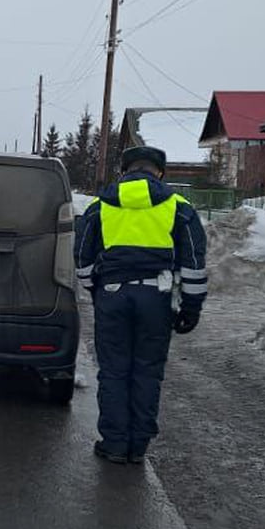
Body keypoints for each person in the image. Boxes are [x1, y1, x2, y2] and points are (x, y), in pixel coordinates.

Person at [74, 146, 207, 465]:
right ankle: (138, 446)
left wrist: (97, 292)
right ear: (160, 172)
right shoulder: (179, 207)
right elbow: (193, 263)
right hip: (157, 296)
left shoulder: (100, 205)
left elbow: (82, 258)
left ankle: (115, 444)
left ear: (124, 170)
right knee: (147, 371)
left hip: (113, 294)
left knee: (114, 370)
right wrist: (191, 307)